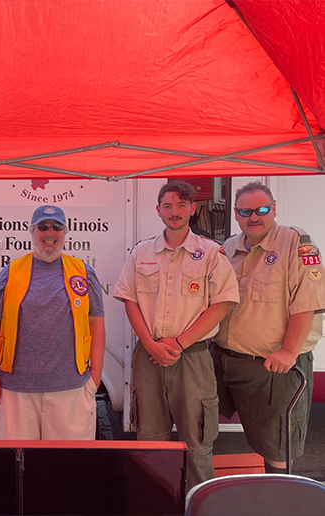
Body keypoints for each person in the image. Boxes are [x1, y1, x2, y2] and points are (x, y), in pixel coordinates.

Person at [113, 180, 239, 490]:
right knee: (150, 441)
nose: (174, 212)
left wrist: (178, 343)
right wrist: (148, 343)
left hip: (193, 356)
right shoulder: (142, 251)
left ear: (193, 210)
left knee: (196, 443)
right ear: (158, 210)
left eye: (181, 205)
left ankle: (200, 505)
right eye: (168, 206)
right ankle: (153, 503)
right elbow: (129, 299)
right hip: (149, 356)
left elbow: (221, 305)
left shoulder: (210, 253)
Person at [213, 181, 325, 473]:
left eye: (262, 209)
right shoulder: (228, 247)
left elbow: (307, 302)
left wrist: (289, 351)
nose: (254, 217)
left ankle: (280, 501)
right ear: (236, 214)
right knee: (205, 429)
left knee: (278, 446)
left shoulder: (294, 241)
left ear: (274, 209)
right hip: (228, 362)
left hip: (275, 368)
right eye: (245, 211)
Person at [0, 205, 105, 440]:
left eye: (57, 226)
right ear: (31, 231)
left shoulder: (83, 273)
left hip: (71, 390)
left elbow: (96, 323)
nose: (50, 232)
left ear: (65, 232)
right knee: (17, 465)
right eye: (43, 226)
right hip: (14, 390)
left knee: (66, 467)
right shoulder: (10, 272)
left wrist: (94, 378)